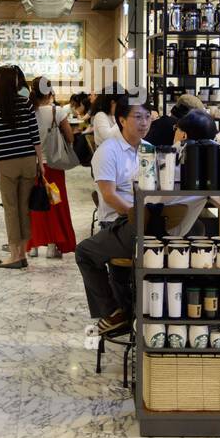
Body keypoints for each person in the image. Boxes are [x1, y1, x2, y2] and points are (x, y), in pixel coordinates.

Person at [75, 101, 153, 336]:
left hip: (146, 222)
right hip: (118, 221)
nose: (144, 123)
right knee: (84, 252)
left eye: (148, 117)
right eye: (138, 117)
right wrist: (137, 215)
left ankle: (129, 312)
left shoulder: (150, 149)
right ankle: (113, 312)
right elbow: (109, 195)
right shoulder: (108, 151)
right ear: (121, 120)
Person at [0, 64, 43, 269]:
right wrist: (41, 163)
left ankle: (14, 256)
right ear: (13, 81)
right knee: (24, 208)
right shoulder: (26, 103)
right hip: (28, 161)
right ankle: (22, 252)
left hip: (6, 162)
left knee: (11, 209)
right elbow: (35, 136)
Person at [27, 75, 77, 259]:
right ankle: (52, 244)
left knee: (33, 203)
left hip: (31, 164)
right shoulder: (57, 112)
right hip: (54, 166)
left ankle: (32, 244)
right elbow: (70, 138)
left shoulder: (27, 111)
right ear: (49, 91)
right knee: (55, 203)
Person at [89, 84, 125, 150]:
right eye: (120, 104)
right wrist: (123, 121)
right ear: (113, 103)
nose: (122, 108)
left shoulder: (112, 115)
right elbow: (107, 137)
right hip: (104, 153)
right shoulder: (100, 115)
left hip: (115, 149)